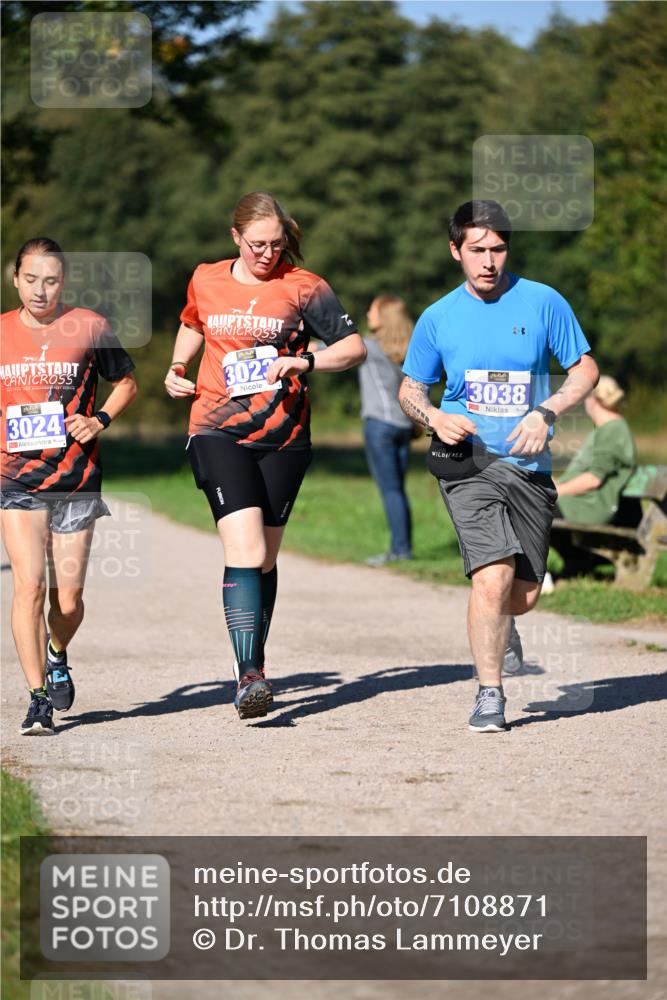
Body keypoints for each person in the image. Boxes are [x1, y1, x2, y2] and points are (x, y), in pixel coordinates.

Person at [165, 191, 366, 721]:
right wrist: (177, 368)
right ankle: (249, 675)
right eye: (256, 245)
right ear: (235, 237)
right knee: (247, 548)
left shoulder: (304, 287)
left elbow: (353, 347)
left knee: (267, 558)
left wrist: (304, 363)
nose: (266, 254)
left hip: (284, 438)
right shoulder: (206, 277)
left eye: (276, 244)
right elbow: (192, 323)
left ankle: (250, 663)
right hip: (215, 428)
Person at [399, 200, 599, 733]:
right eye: (476, 250)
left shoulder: (542, 302)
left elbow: (584, 369)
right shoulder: (438, 317)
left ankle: (506, 628)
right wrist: (435, 417)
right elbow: (411, 390)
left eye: (498, 249)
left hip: (530, 465)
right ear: (455, 251)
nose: (488, 261)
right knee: (493, 575)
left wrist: (547, 409)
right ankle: (490, 694)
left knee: (523, 595)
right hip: (469, 464)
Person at [1, 238, 137, 735]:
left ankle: (58, 651)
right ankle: (37, 698)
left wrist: (98, 419)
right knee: (29, 586)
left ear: (64, 282)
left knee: (67, 602)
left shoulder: (89, 326)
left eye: (51, 280)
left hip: (76, 479)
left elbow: (126, 383)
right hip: (14, 478)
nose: (41, 290)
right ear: (16, 279)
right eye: (31, 279)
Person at [546, 375, 636, 581]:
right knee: (528, 500)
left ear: (592, 400)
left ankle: (533, 575)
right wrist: (557, 484)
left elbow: (594, 479)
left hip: (590, 506)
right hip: (579, 502)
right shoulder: (607, 429)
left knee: (529, 506)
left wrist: (558, 490)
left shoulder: (613, 430)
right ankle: (577, 564)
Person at [359, 295, 414, 566]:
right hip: (403, 426)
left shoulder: (367, 347)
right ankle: (402, 547)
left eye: (372, 310)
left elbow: (324, 348)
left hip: (379, 425)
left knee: (390, 490)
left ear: (383, 316)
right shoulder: (405, 351)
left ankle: (400, 550)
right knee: (399, 490)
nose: (368, 314)